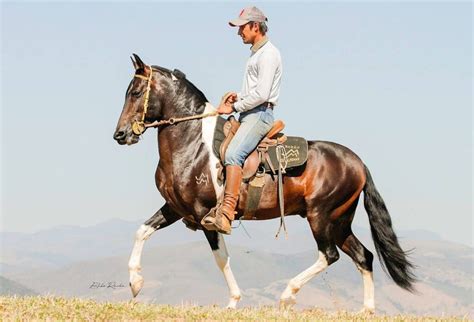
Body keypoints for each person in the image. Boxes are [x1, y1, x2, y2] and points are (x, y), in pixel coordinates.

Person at [202, 6, 283, 234]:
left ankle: (227, 212)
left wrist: (235, 106)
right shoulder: (256, 53)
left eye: (242, 28)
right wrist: (239, 97)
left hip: (260, 115)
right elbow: (254, 92)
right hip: (250, 112)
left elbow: (263, 94)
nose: (239, 33)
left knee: (233, 154)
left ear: (255, 26)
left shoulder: (268, 54)